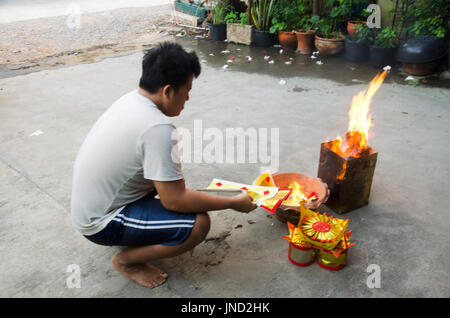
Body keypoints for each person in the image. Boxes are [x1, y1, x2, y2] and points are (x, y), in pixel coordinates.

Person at [70, 42, 256, 289]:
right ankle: (126, 261)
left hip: (94, 204)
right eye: (187, 90)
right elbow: (175, 201)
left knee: (173, 186)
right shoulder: (157, 127)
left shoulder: (131, 100)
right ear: (168, 90)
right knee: (197, 224)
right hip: (99, 222)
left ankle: (136, 232)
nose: (188, 98)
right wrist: (234, 203)